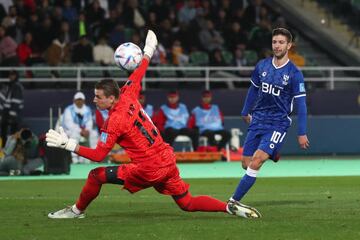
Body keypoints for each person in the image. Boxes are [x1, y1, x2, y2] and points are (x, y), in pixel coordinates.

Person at [45, 30, 260, 219]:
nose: (94, 100)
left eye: (98, 97)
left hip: (148, 168)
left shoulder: (114, 121)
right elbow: (139, 72)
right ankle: (228, 207)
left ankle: (76, 211)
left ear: (111, 99)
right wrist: (148, 50)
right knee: (187, 203)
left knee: (95, 175)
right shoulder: (128, 93)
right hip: (166, 158)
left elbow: (98, 155)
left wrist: (69, 145)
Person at [228, 28, 310, 209]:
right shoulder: (262, 66)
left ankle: (234, 201)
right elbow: (253, 90)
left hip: (278, 123)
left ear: (289, 45)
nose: (277, 46)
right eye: (274, 42)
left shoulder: (295, 73)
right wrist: (245, 111)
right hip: (258, 119)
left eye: (281, 42)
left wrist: (302, 132)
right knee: (246, 164)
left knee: (257, 161)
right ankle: (273, 153)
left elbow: (301, 105)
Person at [61, 92, 98, 163]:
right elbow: (69, 124)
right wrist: (79, 131)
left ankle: (93, 156)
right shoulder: (68, 109)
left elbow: (89, 122)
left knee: (94, 134)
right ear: (74, 100)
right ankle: (74, 158)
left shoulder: (87, 109)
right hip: (70, 131)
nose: (79, 101)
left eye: (81, 100)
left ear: (83, 101)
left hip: (84, 131)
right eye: (77, 100)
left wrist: (87, 130)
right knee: (74, 135)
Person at [0, 70, 24, 147]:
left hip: (13, 115)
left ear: (16, 76)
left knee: (13, 134)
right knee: (5, 132)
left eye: (13, 75)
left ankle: (12, 150)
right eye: (10, 75)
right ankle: (5, 148)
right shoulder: (10, 85)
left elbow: (16, 101)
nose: (11, 76)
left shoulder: (17, 86)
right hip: (6, 113)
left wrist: (12, 115)